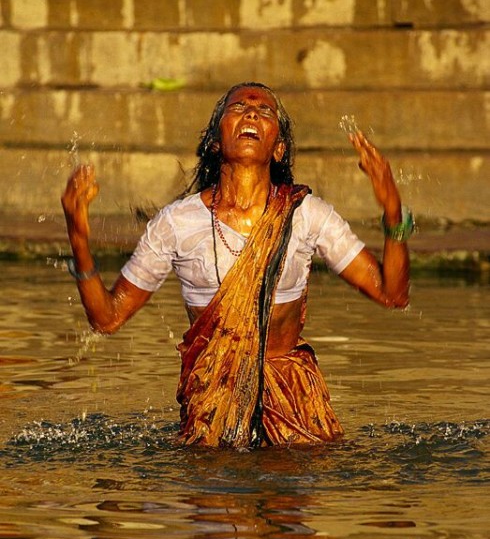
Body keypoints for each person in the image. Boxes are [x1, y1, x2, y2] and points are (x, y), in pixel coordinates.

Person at [61, 81, 412, 448]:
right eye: (239, 107)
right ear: (215, 141)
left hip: (295, 411)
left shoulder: (307, 215)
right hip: (212, 407)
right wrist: (78, 240)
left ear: (278, 149)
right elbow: (107, 318)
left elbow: (393, 293)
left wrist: (393, 211)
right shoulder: (176, 223)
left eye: (265, 111)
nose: (251, 113)